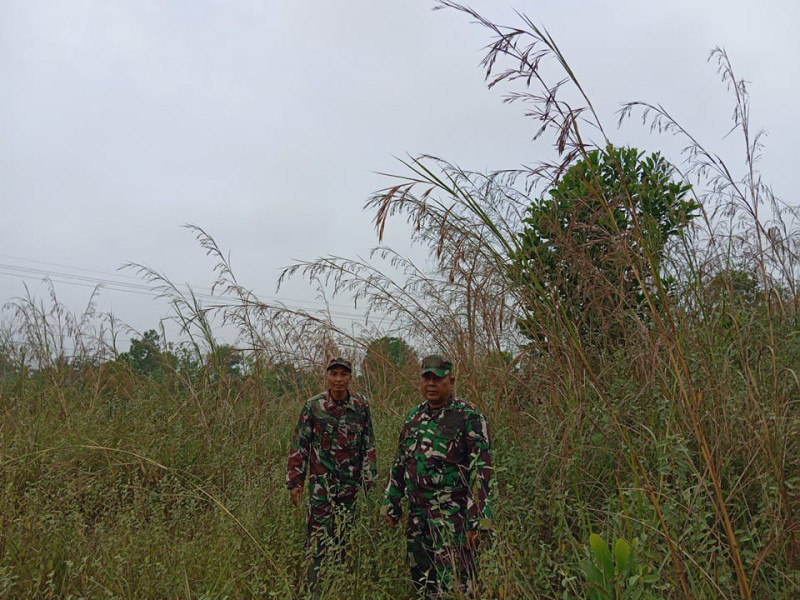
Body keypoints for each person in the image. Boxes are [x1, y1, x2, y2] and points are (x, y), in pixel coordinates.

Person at [382, 355, 493, 598]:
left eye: (438, 378)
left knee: (456, 589)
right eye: (426, 378)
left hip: (453, 522)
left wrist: (478, 522)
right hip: (417, 521)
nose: (431, 384)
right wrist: (391, 502)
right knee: (423, 588)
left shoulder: (469, 417)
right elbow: (400, 462)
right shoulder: (413, 417)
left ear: (450, 381)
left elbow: (482, 471)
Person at [286, 357, 378, 593]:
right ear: (327, 376)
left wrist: (370, 479)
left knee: (345, 539)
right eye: (334, 374)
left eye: (344, 374)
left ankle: (341, 587)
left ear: (350, 377)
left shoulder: (360, 406)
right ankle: (313, 590)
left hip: (350, 487)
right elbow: (300, 444)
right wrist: (295, 480)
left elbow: (368, 444)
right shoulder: (314, 406)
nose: (339, 379)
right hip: (321, 489)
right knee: (317, 540)